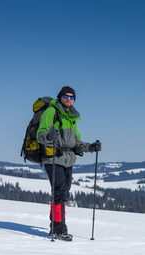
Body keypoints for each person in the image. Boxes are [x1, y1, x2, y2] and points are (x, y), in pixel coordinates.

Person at [37, 86, 101, 241]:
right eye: (66, 96)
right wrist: (49, 136)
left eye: (72, 97)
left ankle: (55, 226)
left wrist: (90, 147)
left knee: (62, 193)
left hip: (68, 159)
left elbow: (75, 141)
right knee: (59, 192)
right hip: (53, 158)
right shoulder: (51, 112)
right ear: (60, 97)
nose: (68, 99)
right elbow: (40, 135)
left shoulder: (71, 117)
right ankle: (59, 229)